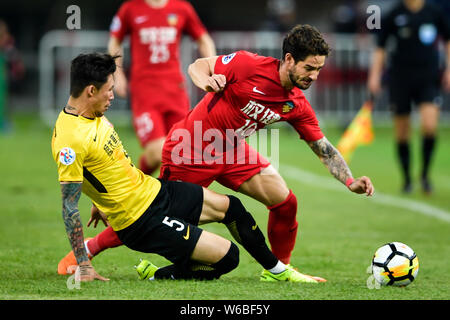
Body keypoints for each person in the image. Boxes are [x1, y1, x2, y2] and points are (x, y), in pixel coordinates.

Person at [58, 25, 374, 280]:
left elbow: (323, 148)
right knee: (154, 216)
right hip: (190, 149)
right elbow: (197, 65)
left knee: (285, 201)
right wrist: (207, 81)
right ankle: (90, 246)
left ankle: (279, 270)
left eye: (319, 69)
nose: (314, 76)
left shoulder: (297, 105)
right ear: (289, 59)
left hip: (232, 151)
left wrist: (349, 181)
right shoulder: (249, 65)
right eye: (309, 68)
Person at [108, 0, 216, 177]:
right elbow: (115, 40)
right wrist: (117, 72)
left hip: (175, 91)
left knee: (183, 152)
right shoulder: (130, 8)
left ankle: (161, 197)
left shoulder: (182, 8)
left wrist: (213, 67)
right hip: (145, 92)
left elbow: (204, 39)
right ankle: (133, 186)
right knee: (158, 150)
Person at [367, 0, 450, 194]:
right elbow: (381, 47)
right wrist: (374, 76)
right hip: (400, 79)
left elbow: (448, 39)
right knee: (402, 131)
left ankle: (425, 175)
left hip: (428, 78)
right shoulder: (394, 14)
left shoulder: (434, 12)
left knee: (429, 126)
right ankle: (407, 179)